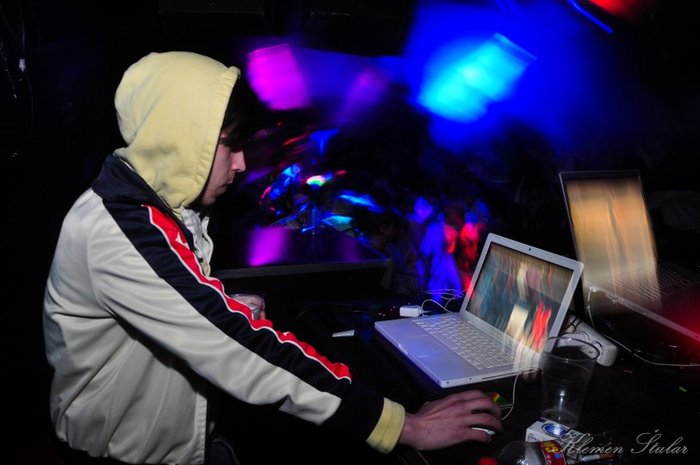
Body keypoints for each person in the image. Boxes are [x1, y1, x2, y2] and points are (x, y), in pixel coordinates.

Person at [43, 51, 502, 465]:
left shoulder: (160, 207)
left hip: (182, 439)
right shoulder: (121, 230)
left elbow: (175, 300)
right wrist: (404, 426)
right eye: (229, 144)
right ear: (183, 140)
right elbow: (236, 347)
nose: (241, 163)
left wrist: (218, 304)